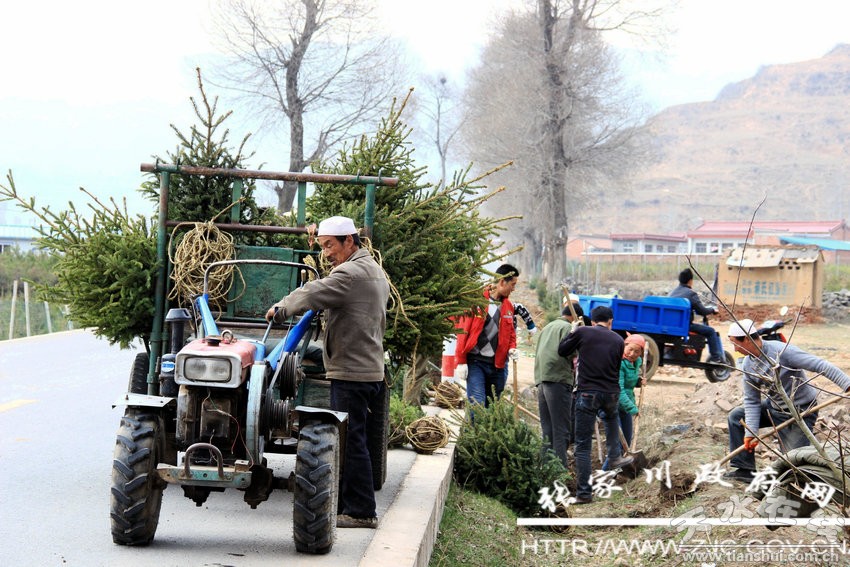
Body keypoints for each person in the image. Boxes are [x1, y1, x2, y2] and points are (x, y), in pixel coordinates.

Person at [265, 215, 389, 528]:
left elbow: (312, 291)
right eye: (322, 246)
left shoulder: (349, 273)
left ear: (350, 240)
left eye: (330, 245)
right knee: (353, 439)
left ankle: (361, 511)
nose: (327, 253)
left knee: (350, 442)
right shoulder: (374, 270)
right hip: (368, 368)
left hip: (352, 372)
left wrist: (281, 308)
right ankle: (350, 505)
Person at [723, 318, 850, 483]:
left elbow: (820, 365)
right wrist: (750, 432)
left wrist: (847, 385)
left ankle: (831, 479)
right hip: (775, 407)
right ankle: (744, 469)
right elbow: (752, 400)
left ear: (747, 339)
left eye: (735, 343)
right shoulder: (748, 364)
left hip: (800, 410)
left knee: (796, 461)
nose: (734, 349)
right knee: (736, 417)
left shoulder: (781, 352)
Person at [558, 305, 634, 504]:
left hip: (587, 392)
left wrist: (573, 332)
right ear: (610, 321)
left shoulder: (583, 332)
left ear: (592, 321)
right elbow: (615, 365)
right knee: (611, 418)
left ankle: (584, 493)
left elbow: (562, 350)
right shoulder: (618, 339)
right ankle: (615, 455)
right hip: (611, 393)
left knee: (582, 446)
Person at [453, 264, 519, 407]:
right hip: (476, 362)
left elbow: (511, 332)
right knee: (477, 404)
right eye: (512, 284)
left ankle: (469, 429)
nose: (514, 289)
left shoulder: (508, 307)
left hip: (497, 366)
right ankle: (472, 428)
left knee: (491, 408)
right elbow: (462, 332)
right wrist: (461, 361)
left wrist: (512, 348)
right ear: (502, 282)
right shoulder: (477, 301)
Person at [534, 302, 582, 468]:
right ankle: (559, 473)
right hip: (559, 381)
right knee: (561, 431)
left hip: (542, 380)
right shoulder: (569, 328)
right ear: (576, 318)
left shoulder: (548, 327)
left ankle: (544, 469)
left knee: (548, 430)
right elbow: (572, 354)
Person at [669, 267, 725, 364]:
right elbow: (702, 310)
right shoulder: (691, 293)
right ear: (690, 281)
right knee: (711, 331)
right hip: (685, 326)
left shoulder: (672, 293)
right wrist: (712, 310)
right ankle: (716, 358)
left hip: (673, 324)